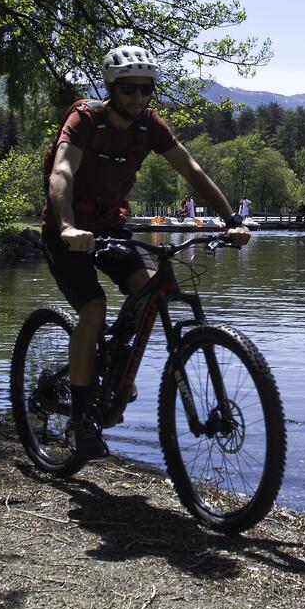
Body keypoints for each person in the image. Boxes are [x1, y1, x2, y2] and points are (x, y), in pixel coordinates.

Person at [43, 44, 253, 459]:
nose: (138, 97)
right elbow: (62, 170)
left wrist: (231, 220)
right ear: (111, 88)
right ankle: (83, 416)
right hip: (66, 230)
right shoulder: (85, 119)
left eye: (146, 90)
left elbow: (192, 169)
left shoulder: (149, 127)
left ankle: (114, 365)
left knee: (147, 293)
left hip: (111, 225)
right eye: (129, 89)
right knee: (94, 307)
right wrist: (67, 225)